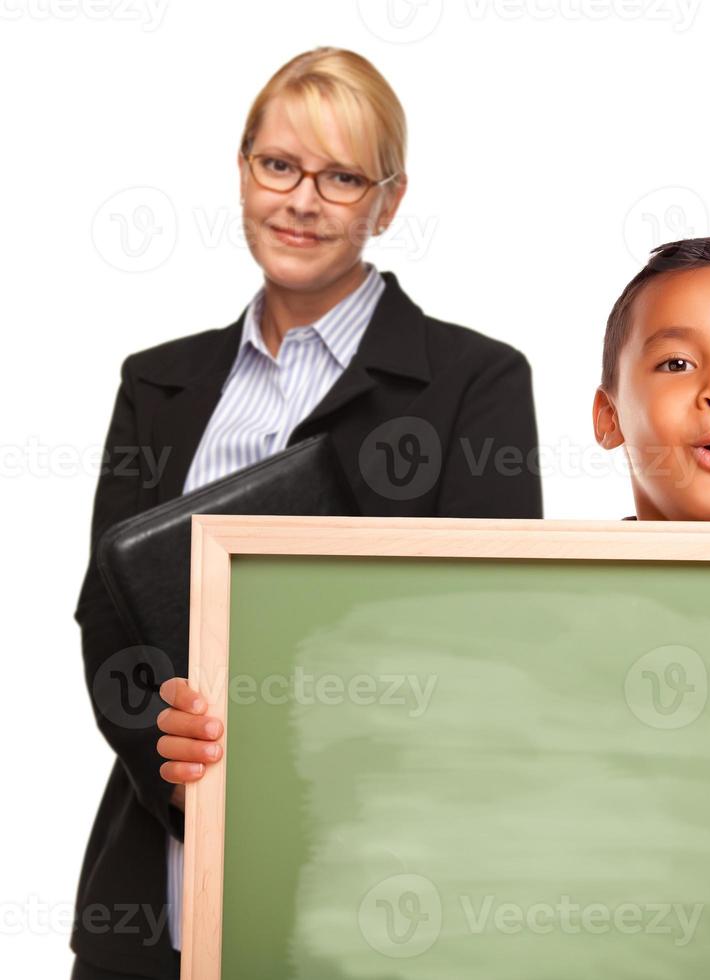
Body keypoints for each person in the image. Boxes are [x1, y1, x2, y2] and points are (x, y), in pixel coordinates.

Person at [158, 235, 710, 914]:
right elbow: (383, 778)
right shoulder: (525, 609)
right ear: (608, 415)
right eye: (677, 365)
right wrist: (232, 745)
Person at [73, 47, 542, 979]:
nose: (301, 200)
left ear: (389, 202)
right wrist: (186, 780)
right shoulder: (156, 383)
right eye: (278, 165)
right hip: (158, 879)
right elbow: (107, 616)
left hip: (376, 883)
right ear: (243, 169)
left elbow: (498, 637)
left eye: (341, 177)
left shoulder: (473, 382)